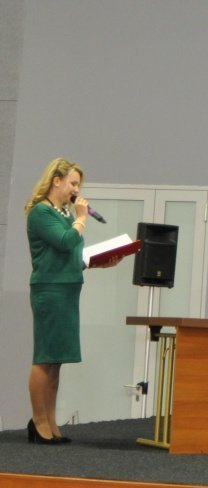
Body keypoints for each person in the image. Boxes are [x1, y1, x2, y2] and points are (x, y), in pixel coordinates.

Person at [24, 158, 120, 444]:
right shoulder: (40, 212)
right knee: (45, 357)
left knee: (56, 360)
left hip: (67, 290)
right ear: (57, 180)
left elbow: (69, 256)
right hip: (49, 290)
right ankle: (38, 421)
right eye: (73, 183)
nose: (77, 190)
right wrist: (81, 218)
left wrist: (97, 262)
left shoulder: (64, 213)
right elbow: (65, 242)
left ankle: (51, 421)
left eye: (79, 185)